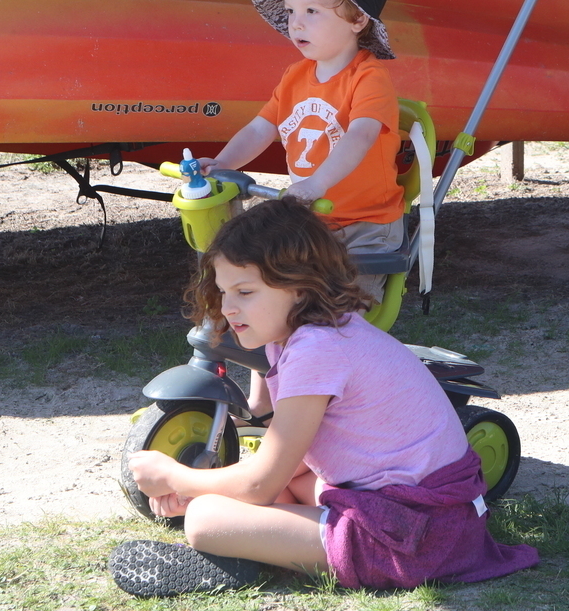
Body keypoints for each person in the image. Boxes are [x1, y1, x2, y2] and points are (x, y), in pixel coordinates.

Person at [109, 199, 538, 597]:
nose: (228, 308)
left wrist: (177, 478)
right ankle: (264, 546)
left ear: (298, 287)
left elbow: (260, 484)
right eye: (224, 291)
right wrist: (210, 488)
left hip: (415, 534)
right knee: (278, 485)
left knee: (205, 519)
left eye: (245, 292)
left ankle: (254, 554)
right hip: (432, 515)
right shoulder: (316, 333)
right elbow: (290, 464)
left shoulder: (315, 351)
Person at [193, 0, 405, 305]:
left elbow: (360, 135)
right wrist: (224, 163)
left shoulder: (368, 79)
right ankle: (275, 355)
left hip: (365, 226)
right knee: (276, 298)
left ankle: (338, 352)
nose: (296, 22)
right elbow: (261, 128)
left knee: (343, 312)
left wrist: (315, 184)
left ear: (357, 19)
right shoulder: (296, 76)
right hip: (311, 220)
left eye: (311, 10)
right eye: (291, 10)